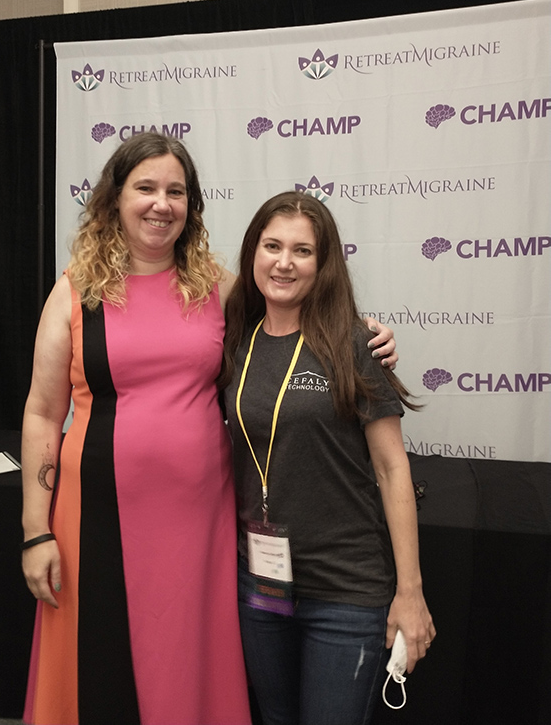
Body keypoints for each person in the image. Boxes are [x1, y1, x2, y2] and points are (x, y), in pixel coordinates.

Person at [21, 133, 397, 725]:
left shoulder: (219, 290)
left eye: (176, 191)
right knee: (100, 670)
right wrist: (34, 531)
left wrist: (367, 336)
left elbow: (297, 317)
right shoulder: (75, 292)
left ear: (192, 206)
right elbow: (43, 413)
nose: (160, 203)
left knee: (188, 664)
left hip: (202, 523)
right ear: (114, 199)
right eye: (145, 187)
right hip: (96, 516)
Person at [220, 191, 435, 725]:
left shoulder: (355, 344)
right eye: (272, 246)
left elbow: (391, 468)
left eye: (302, 250)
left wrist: (410, 592)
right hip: (262, 584)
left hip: (346, 591)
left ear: (324, 263)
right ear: (253, 253)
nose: (284, 263)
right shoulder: (233, 343)